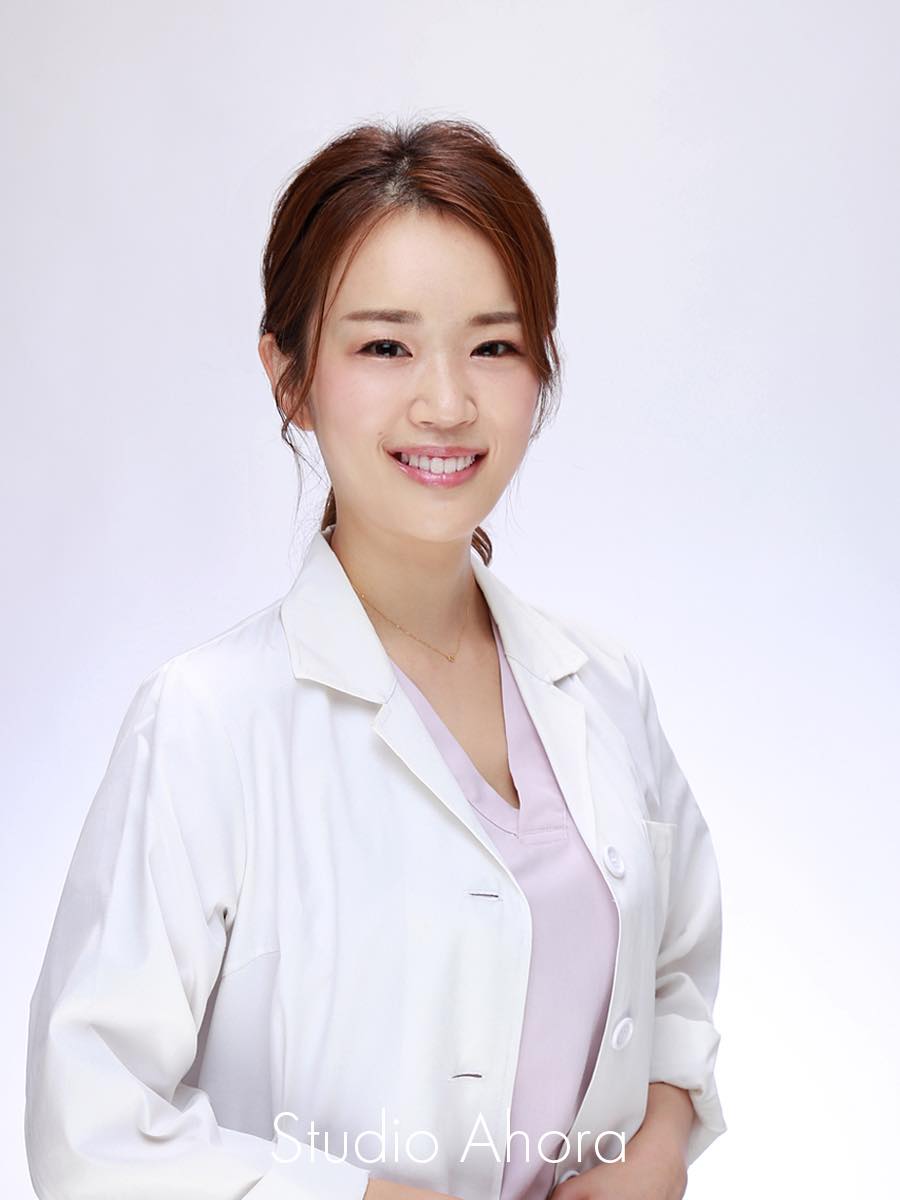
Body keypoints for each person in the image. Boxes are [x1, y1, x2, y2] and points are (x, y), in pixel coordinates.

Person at [24, 117, 727, 1200]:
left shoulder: (604, 687)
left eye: (493, 346)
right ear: (290, 378)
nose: (447, 403)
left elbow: (674, 965)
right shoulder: (209, 721)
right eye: (386, 347)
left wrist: (660, 1140)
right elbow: (92, 1125)